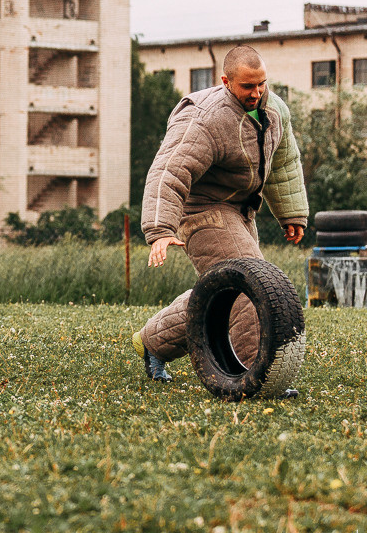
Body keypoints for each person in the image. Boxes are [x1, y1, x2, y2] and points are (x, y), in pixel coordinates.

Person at [132, 45, 308, 392]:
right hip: (201, 211)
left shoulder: (274, 110)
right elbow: (169, 171)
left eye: (262, 84)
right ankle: (251, 372)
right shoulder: (204, 118)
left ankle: (152, 341)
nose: (257, 93)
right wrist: (160, 229)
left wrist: (291, 212)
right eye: (247, 87)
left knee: (225, 288)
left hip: (241, 211)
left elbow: (284, 161)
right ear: (226, 82)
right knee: (249, 285)